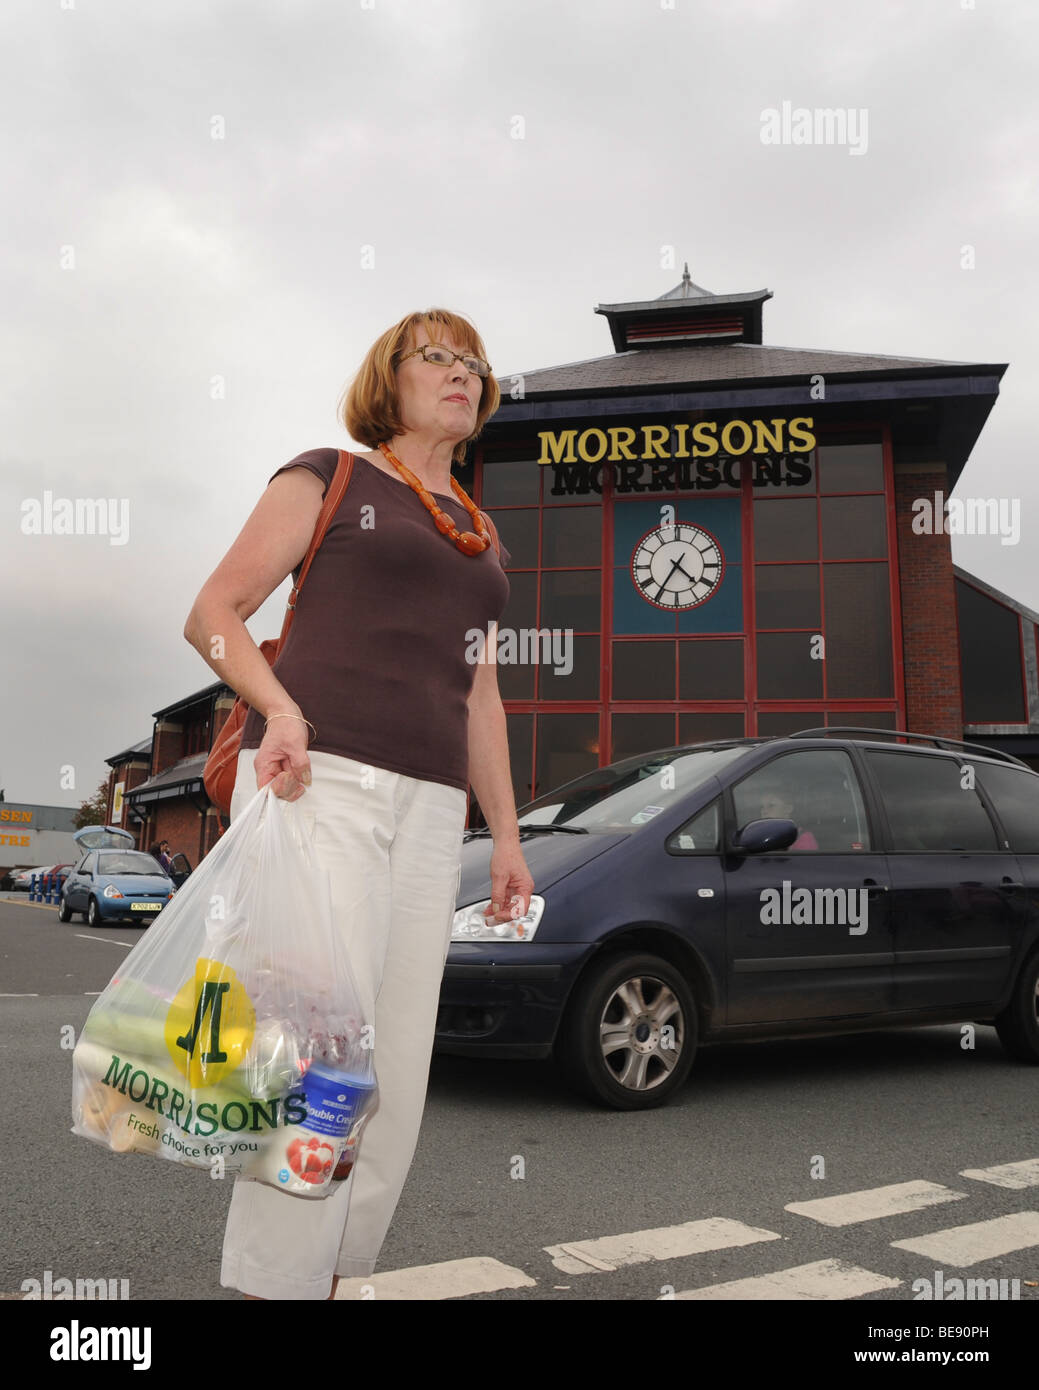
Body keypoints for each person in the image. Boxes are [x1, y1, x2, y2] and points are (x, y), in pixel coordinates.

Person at [183, 308, 534, 1301]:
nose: (462, 373)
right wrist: (279, 705)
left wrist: (505, 835)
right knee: (318, 1060)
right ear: (391, 376)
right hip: (320, 776)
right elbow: (212, 613)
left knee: (395, 1073)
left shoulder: (479, 531)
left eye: (475, 362)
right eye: (439, 356)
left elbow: (482, 697)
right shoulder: (327, 476)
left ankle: (341, 1276)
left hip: (430, 810)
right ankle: (269, 1284)